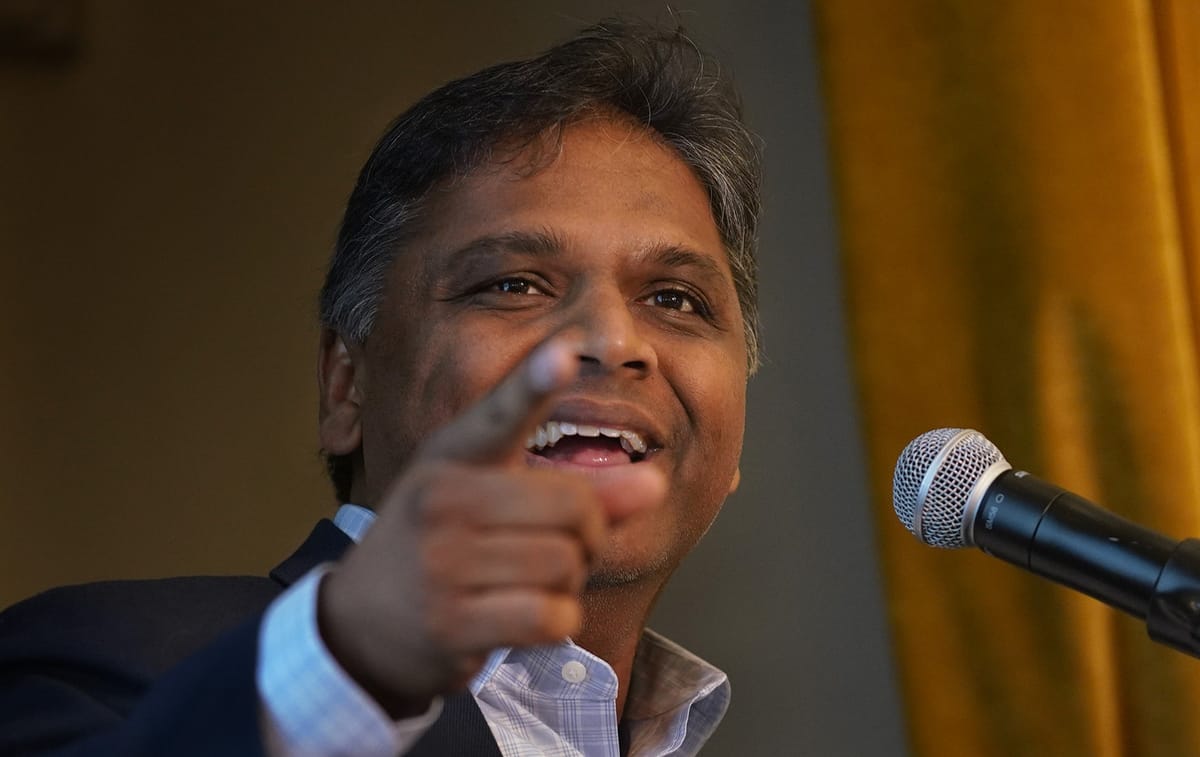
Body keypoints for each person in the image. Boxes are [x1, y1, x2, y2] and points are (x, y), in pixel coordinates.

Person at [0, 18, 762, 756]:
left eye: (675, 299)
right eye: (514, 284)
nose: (614, 341)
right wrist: (356, 664)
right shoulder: (112, 662)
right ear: (346, 386)